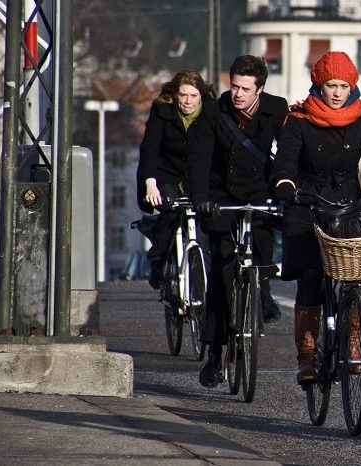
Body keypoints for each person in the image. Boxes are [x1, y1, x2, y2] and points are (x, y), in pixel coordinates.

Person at [271, 51, 361, 385]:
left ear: (352, 87)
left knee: (357, 276)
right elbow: (285, 162)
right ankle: (307, 353)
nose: (337, 93)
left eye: (343, 86)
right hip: (306, 203)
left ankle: (353, 337)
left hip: (346, 205)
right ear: (319, 85)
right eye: (331, 85)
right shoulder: (299, 119)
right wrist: (285, 184)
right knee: (310, 275)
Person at [189, 55, 288, 388]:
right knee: (221, 272)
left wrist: (286, 185)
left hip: (258, 189)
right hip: (221, 195)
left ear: (260, 89)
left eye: (246, 89)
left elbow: (287, 152)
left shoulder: (276, 109)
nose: (238, 94)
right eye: (234, 86)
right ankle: (215, 355)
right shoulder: (214, 112)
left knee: (262, 236)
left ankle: (264, 292)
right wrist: (200, 196)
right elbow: (200, 157)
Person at [136, 70, 216, 289]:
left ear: (202, 96)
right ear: (175, 95)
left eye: (193, 96)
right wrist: (150, 183)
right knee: (171, 212)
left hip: (197, 177)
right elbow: (150, 148)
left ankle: (204, 278)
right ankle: (158, 261)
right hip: (165, 174)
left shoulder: (211, 112)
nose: (188, 101)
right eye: (183, 95)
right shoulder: (163, 111)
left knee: (204, 221)